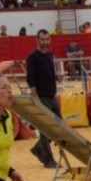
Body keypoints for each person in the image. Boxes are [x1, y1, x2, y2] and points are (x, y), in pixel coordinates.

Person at [26, 29, 61, 169]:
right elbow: (31, 79)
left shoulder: (49, 55)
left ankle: (38, 148)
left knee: (58, 127)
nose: (45, 42)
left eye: (47, 39)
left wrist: (57, 77)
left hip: (52, 96)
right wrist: (36, 100)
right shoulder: (32, 57)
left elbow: (51, 73)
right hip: (41, 97)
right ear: (37, 40)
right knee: (45, 129)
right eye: (43, 39)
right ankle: (48, 159)